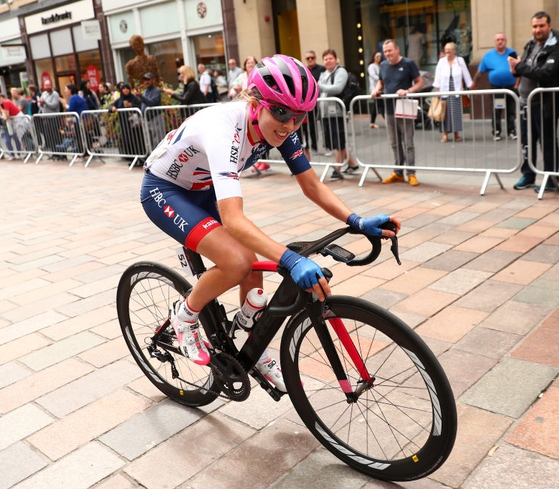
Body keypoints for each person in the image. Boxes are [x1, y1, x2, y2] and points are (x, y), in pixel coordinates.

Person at [139, 54, 400, 391]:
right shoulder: (225, 129)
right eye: (280, 112)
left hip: (203, 189)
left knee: (255, 267)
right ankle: (185, 315)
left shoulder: (281, 127)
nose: (289, 125)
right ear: (255, 103)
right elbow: (233, 218)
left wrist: (356, 220)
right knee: (237, 261)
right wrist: (289, 258)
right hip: (166, 190)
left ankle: (251, 341)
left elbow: (312, 185)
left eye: (299, 117)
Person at [509, 11, 559, 192]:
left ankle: (551, 179)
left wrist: (521, 66)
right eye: (535, 26)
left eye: (541, 26)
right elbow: (527, 70)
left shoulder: (558, 48)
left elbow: (545, 73)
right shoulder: (530, 45)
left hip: (544, 104)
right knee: (526, 142)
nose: (538, 30)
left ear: (549, 26)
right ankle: (528, 175)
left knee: (547, 143)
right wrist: (516, 69)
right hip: (524, 103)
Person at [371, 39, 425, 186]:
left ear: (397, 50)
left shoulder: (408, 64)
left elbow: (420, 82)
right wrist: (376, 90)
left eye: (390, 50)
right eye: (385, 51)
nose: (387, 54)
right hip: (389, 109)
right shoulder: (383, 65)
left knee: (408, 142)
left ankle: (411, 173)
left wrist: (408, 91)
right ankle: (398, 172)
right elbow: (381, 82)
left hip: (405, 107)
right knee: (394, 142)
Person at [318, 49, 359, 180]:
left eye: (330, 58)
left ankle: (337, 169)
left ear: (336, 59)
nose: (328, 61)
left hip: (337, 112)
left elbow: (338, 88)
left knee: (338, 141)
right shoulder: (324, 74)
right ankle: (352, 164)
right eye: (325, 59)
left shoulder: (340, 71)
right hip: (326, 114)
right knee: (334, 140)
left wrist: (319, 86)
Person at [471, 32, 520, 141]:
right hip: (497, 88)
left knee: (511, 110)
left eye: (502, 39)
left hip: (511, 88)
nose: (500, 41)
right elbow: (480, 72)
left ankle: (512, 131)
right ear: (495, 42)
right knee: (497, 110)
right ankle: (496, 132)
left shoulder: (512, 53)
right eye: (498, 40)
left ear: (506, 41)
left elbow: (518, 70)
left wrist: (517, 85)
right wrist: (473, 85)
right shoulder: (488, 56)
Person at [433, 42, 473, 143]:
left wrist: (470, 84)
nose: (448, 51)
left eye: (450, 49)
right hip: (444, 90)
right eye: (446, 49)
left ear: (454, 50)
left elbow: (465, 73)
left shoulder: (460, 61)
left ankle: (456, 134)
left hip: (456, 90)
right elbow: (437, 76)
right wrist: (437, 90)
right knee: (445, 113)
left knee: (456, 113)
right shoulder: (441, 61)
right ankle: (445, 134)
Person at [297, 50, 326, 157]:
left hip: (317, 102)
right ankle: (307, 147)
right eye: (308, 58)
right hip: (306, 103)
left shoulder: (321, 69)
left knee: (315, 125)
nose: (310, 60)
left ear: (315, 58)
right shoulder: (304, 70)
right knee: (304, 126)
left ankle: (315, 146)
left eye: (312, 58)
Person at [109, 83, 145, 157]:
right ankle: (130, 157)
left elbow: (140, 105)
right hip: (124, 123)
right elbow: (112, 105)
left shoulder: (134, 98)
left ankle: (140, 156)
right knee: (127, 139)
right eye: (124, 88)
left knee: (137, 139)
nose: (125, 90)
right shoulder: (119, 100)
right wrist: (112, 108)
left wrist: (132, 106)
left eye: (127, 88)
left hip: (134, 124)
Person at [136, 72, 165, 150]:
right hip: (147, 119)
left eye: (148, 79)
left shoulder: (156, 91)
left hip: (155, 118)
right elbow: (144, 103)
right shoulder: (145, 91)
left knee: (158, 140)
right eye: (145, 80)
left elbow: (152, 103)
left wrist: (141, 96)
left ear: (153, 80)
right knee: (150, 141)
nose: (146, 81)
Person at [368, 51, 384, 129]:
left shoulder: (381, 66)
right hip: (375, 88)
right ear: (374, 57)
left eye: (380, 56)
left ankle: (372, 122)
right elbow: (373, 75)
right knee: (380, 104)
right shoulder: (372, 66)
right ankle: (372, 122)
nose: (379, 58)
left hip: (381, 88)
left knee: (378, 105)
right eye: (377, 56)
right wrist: (382, 80)